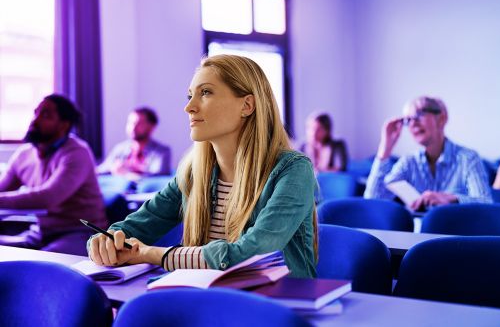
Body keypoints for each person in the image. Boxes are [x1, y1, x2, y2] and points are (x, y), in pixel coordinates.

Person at [88, 55, 318, 278]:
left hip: (277, 304)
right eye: (190, 96)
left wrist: (152, 254)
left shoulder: (293, 170)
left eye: (205, 92)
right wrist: (105, 242)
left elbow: (254, 253)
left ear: (247, 105)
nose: (189, 107)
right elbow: (134, 226)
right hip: (205, 299)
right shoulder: (192, 172)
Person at [0, 94, 107, 256]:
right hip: (40, 233)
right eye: (36, 113)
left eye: (45, 115)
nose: (35, 120)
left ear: (64, 124)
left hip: (80, 233)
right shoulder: (24, 154)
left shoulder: (77, 152)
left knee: (39, 266)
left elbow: (48, 197)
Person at [364, 96, 492, 211]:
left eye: (419, 115)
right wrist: (385, 147)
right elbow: (372, 200)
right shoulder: (409, 161)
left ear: (441, 118)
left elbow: (486, 203)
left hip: (456, 233)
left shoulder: (468, 158)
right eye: (408, 120)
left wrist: (452, 199)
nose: (413, 123)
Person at [97, 107, 171, 180]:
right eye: (130, 123)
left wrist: (126, 174)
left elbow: (158, 180)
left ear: (151, 127)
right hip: (120, 190)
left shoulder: (162, 152)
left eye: (139, 123)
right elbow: (103, 169)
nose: (133, 127)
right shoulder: (120, 148)